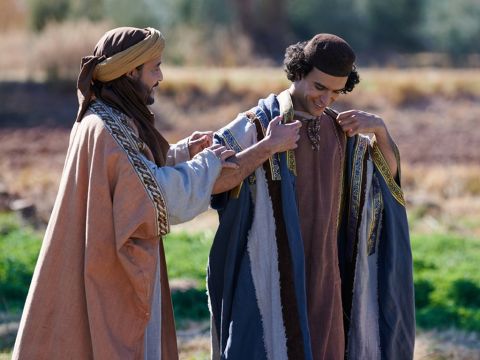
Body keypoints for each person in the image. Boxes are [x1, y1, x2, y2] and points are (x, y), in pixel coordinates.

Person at [12, 27, 300, 360]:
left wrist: (183, 153)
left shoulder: (106, 116)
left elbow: (139, 169)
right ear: (130, 71)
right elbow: (160, 196)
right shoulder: (107, 128)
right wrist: (261, 149)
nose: (160, 77)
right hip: (110, 277)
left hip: (100, 265)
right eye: (155, 68)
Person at [207, 33, 415, 360]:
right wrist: (267, 147)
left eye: (336, 92)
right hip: (268, 275)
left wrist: (380, 130)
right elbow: (212, 179)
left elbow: (385, 182)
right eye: (319, 88)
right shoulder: (260, 123)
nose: (326, 100)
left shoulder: (339, 130)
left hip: (326, 281)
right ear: (299, 71)